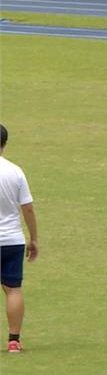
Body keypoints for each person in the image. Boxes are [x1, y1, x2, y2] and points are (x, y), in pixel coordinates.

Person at [0, 125, 39, 353]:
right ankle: (14, 340)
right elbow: (28, 209)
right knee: (13, 289)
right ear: (4, 144)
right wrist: (33, 238)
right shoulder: (15, 172)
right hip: (12, 240)